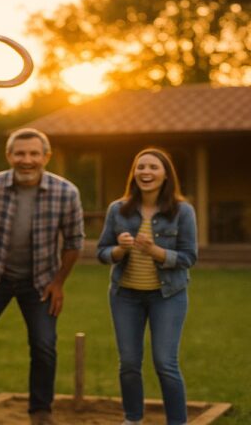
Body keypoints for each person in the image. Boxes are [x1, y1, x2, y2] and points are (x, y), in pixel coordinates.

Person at [0, 128, 85, 425]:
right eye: (20, 153)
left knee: (44, 344)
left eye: (34, 153)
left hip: (41, 280)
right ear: (9, 156)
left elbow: (74, 242)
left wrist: (58, 283)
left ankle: (40, 409)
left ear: (46, 157)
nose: (27, 160)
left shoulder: (66, 192)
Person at [97, 148, 197, 425]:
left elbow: (189, 257)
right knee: (129, 363)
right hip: (125, 295)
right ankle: (132, 419)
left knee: (165, 363)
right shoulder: (118, 209)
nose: (146, 172)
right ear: (134, 173)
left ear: (165, 175)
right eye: (141, 167)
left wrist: (155, 251)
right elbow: (103, 251)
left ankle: (177, 422)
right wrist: (119, 250)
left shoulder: (182, 211)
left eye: (153, 167)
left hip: (167, 296)